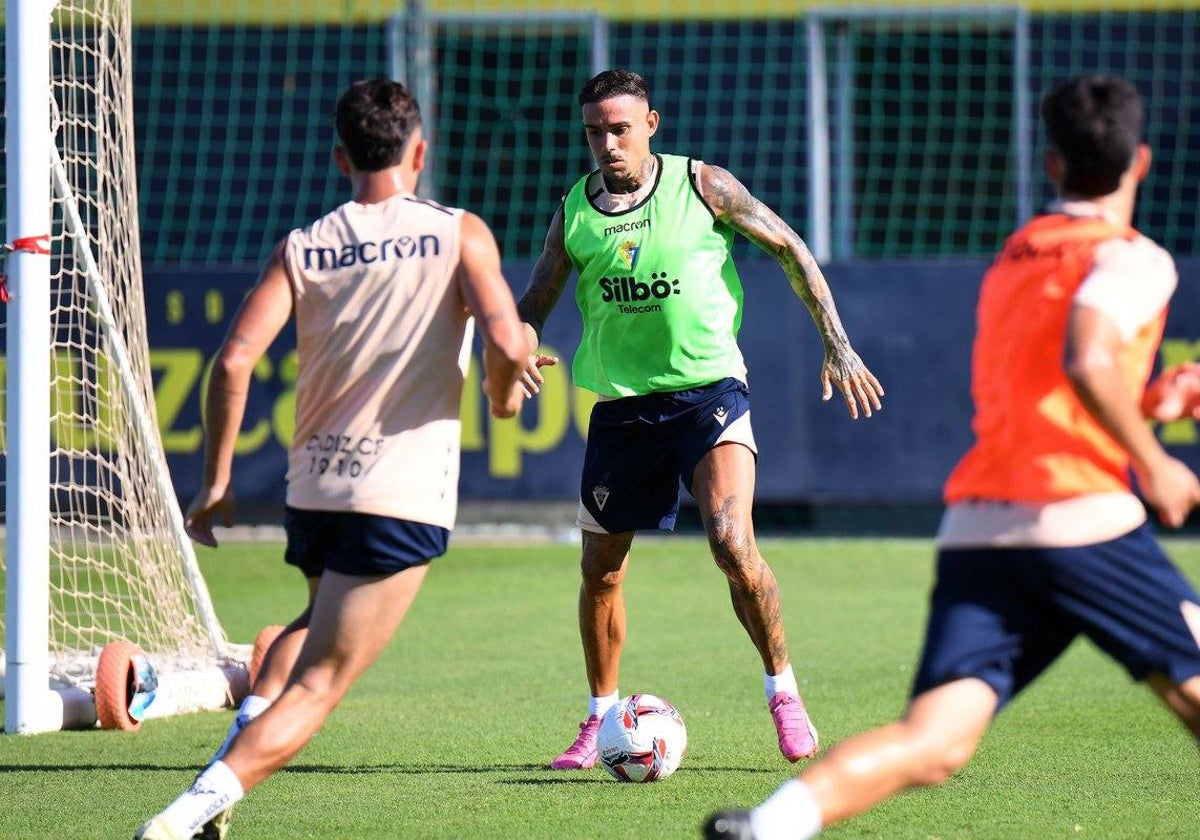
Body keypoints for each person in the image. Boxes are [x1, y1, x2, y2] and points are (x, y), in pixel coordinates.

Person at [703, 74, 1200, 840]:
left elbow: (1053, 394)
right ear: (1141, 162)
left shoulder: (1015, 259)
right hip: (1078, 522)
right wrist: (1157, 462)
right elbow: (1087, 360)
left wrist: (1147, 409)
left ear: (1054, 165)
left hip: (980, 531)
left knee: (935, 742)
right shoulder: (1133, 259)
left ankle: (770, 825)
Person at [134, 76, 527, 840]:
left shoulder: (304, 245)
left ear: (340, 156)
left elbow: (234, 361)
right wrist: (507, 395)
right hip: (396, 495)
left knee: (314, 621)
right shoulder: (458, 232)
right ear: (420, 150)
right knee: (319, 685)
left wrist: (215, 484)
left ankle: (229, 761)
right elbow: (510, 343)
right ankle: (183, 817)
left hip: (313, 490)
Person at [516, 68, 885, 771]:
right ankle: (599, 719)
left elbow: (788, 247)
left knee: (730, 541)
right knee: (601, 571)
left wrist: (837, 343)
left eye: (620, 129)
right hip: (624, 409)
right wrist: (519, 344)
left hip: (709, 392)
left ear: (650, 124)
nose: (607, 144)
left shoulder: (701, 185)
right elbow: (538, 293)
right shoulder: (576, 211)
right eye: (595, 132)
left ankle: (783, 690)